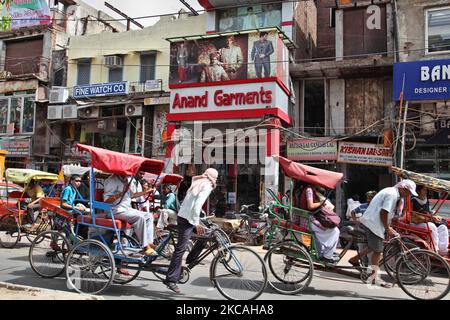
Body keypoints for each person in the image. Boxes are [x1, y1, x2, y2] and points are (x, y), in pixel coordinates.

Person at [348, 180, 418, 287]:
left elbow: (385, 213)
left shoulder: (392, 192)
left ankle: (354, 259)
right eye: (408, 192)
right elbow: (383, 212)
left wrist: (388, 227)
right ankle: (374, 278)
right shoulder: (392, 195)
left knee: (374, 247)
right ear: (402, 189)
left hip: (374, 222)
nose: (408, 195)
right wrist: (387, 228)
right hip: (373, 223)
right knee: (378, 251)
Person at [164, 168, 218, 294]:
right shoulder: (207, 185)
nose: (216, 180)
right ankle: (171, 280)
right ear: (212, 178)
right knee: (180, 248)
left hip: (185, 216)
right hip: (187, 219)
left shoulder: (198, 182)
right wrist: (197, 222)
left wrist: (199, 221)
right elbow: (197, 205)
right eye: (216, 177)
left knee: (206, 233)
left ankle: (190, 260)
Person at [103, 174, 156, 256]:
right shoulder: (112, 180)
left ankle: (149, 242)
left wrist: (146, 192)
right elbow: (106, 200)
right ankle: (145, 246)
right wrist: (122, 193)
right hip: (115, 210)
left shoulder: (126, 180)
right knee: (140, 217)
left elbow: (132, 195)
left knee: (149, 216)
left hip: (127, 209)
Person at [299, 185, 340, 264]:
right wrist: (321, 203)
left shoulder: (310, 189)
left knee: (331, 230)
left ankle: (324, 253)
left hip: (309, 219)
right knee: (335, 231)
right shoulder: (309, 190)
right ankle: (327, 256)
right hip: (308, 220)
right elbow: (310, 206)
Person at [411, 185, 449, 256]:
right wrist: (431, 217)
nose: (426, 192)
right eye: (424, 190)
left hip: (427, 220)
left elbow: (428, 211)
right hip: (416, 222)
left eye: (426, 190)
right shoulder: (413, 200)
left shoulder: (426, 200)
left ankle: (443, 250)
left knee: (443, 227)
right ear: (418, 191)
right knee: (432, 226)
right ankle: (434, 249)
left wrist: (433, 215)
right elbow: (416, 214)